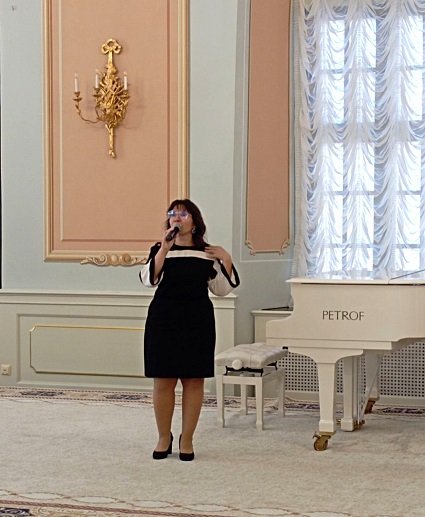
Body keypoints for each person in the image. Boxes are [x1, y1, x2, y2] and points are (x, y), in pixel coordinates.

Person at [139, 199, 240, 461]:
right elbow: (149, 280)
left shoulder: (207, 253)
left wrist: (226, 259)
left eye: (183, 214)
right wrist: (164, 248)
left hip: (197, 320)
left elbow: (221, 289)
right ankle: (164, 436)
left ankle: (187, 438)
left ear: (194, 222)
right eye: (172, 213)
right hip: (164, 319)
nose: (177, 217)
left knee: (194, 380)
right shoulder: (160, 249)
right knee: (163, 380)